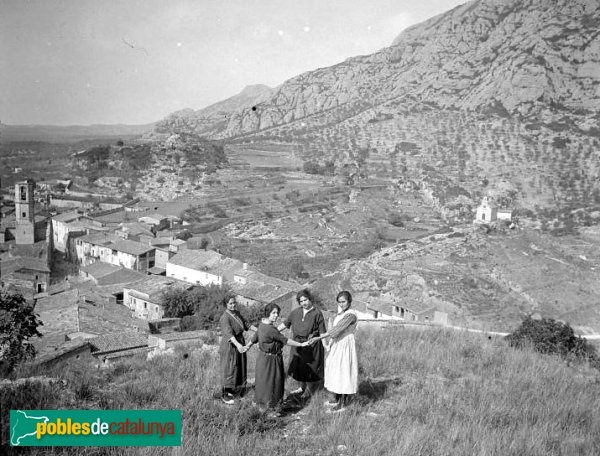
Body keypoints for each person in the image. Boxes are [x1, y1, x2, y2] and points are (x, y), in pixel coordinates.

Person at [245, 303, 309, 412]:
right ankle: (271, 408)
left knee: (262, 382)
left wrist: (247, 346)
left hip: (262, 359)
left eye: (277, 313)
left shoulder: (261, 325)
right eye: (273, 313)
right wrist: (301, 344)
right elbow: (286, 340)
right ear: (268, 313)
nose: (276, 315)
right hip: (271, 361)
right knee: (273, 383)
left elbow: (255, 337)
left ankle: (260, 404)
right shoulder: (271, 329)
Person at [310, 291, 358, 412]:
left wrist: (318, 338)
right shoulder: (341, 313)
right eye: (339, 302)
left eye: (344, 301)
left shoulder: (351, 315)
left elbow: (336, 330)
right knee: (335, 370)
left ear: (349, 301)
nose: (341, 304)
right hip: (337, 344)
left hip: (345, 344)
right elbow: (333, 329)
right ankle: (335, 398)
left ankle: (343, 402)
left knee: (343, 371)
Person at [278, 289, 327, 399]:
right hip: (297, 344)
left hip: (311, 345)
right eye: (301, 301)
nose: (304, 303)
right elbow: (285, 324)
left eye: (305, 300)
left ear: (310, 299)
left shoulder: (317, 313)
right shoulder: (295, 312)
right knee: (300, 366)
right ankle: (302, 387)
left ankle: (308, 391)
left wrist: (325, 345)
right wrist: (273, 331)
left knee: (310, 367)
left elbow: (322, 332)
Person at [218, 295, 257, 405]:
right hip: (231, 345)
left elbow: (246, 325)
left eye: (234, 303)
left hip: (239, 341)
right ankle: (225, 394)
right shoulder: (225, 317)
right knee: (230, 368)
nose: (233, 305)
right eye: (230, 303)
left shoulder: (237, 313)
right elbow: (229, 334)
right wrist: (238, 345)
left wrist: (259, 330)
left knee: (239, 366)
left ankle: (235, 390)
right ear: (226, 305)